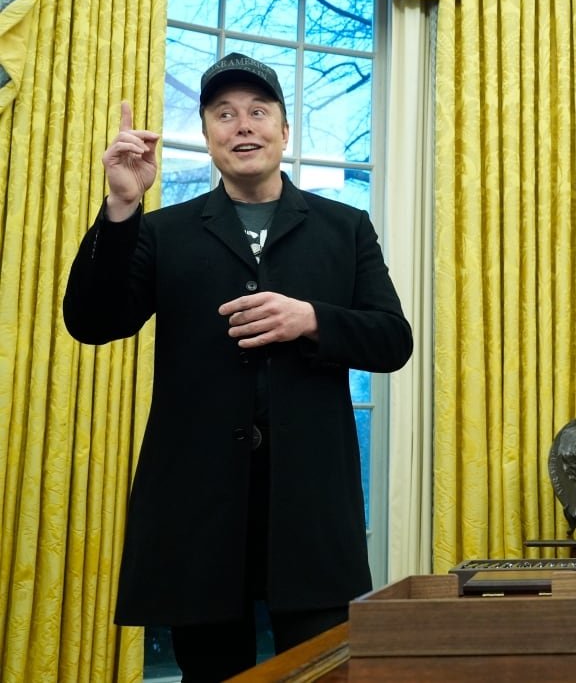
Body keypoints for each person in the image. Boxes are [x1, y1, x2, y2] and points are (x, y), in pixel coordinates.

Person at [63, 53, 413, 681]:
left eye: (258, 112)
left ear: (285, 131)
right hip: (198, 514)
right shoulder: (162, 232)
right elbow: (93, 322)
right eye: (224, 114)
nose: (242, 126)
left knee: (322, 673)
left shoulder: (345, 227)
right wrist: (120, 208)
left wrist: (312, 319)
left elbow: (393, 340)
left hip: (311, 514)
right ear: (206, 134)